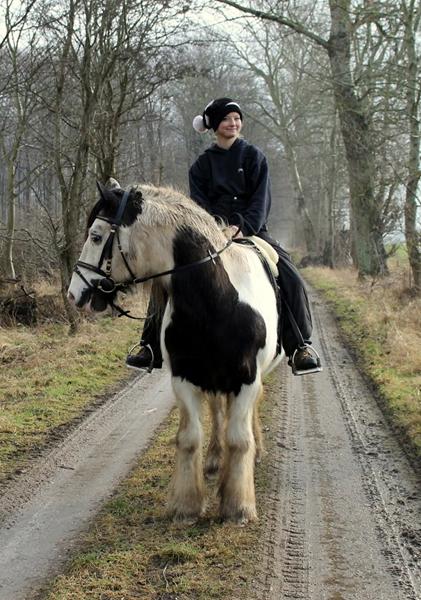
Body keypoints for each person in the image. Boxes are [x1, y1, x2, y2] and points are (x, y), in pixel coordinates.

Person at [126, 97, 322, 375]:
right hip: (210, 234)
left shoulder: (255, 157)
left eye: (237, 118)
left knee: (290, 274)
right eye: (227, 119)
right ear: (215, 125)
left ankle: (300, 345)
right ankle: (149, 346)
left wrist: (238, 227)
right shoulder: (201, 166)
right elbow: (198, 206)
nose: (233, 123)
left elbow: (260, 202)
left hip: (252, 231)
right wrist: (216, 229)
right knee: (167, 276)